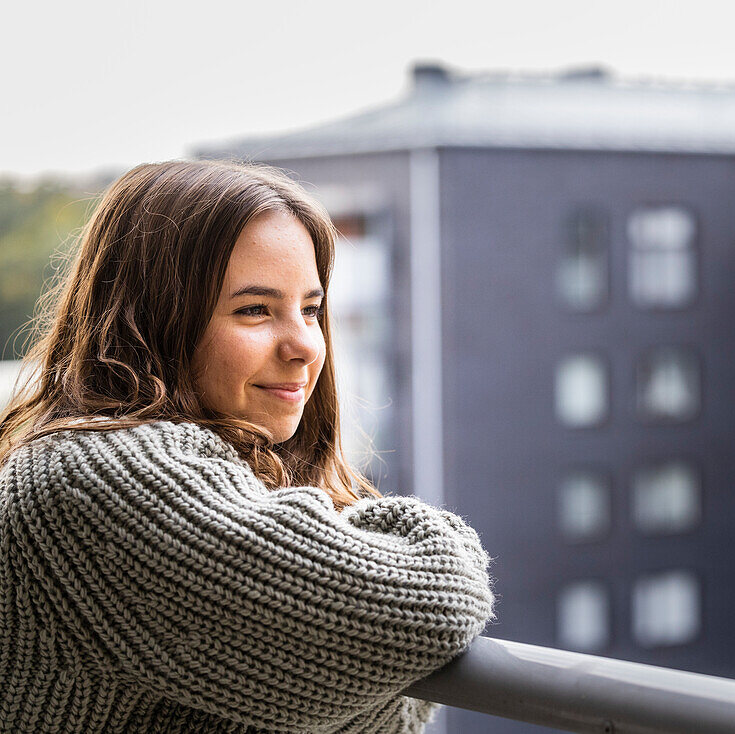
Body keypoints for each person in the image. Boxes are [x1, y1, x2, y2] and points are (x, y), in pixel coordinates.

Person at [0, 160, 494, 733]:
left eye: (310, 309)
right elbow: (427, 608)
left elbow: (390, 699)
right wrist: (403, 535)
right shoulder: (94, 478)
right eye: (254, 310)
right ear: (152, 320)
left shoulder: (226, 474)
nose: (306, 346)